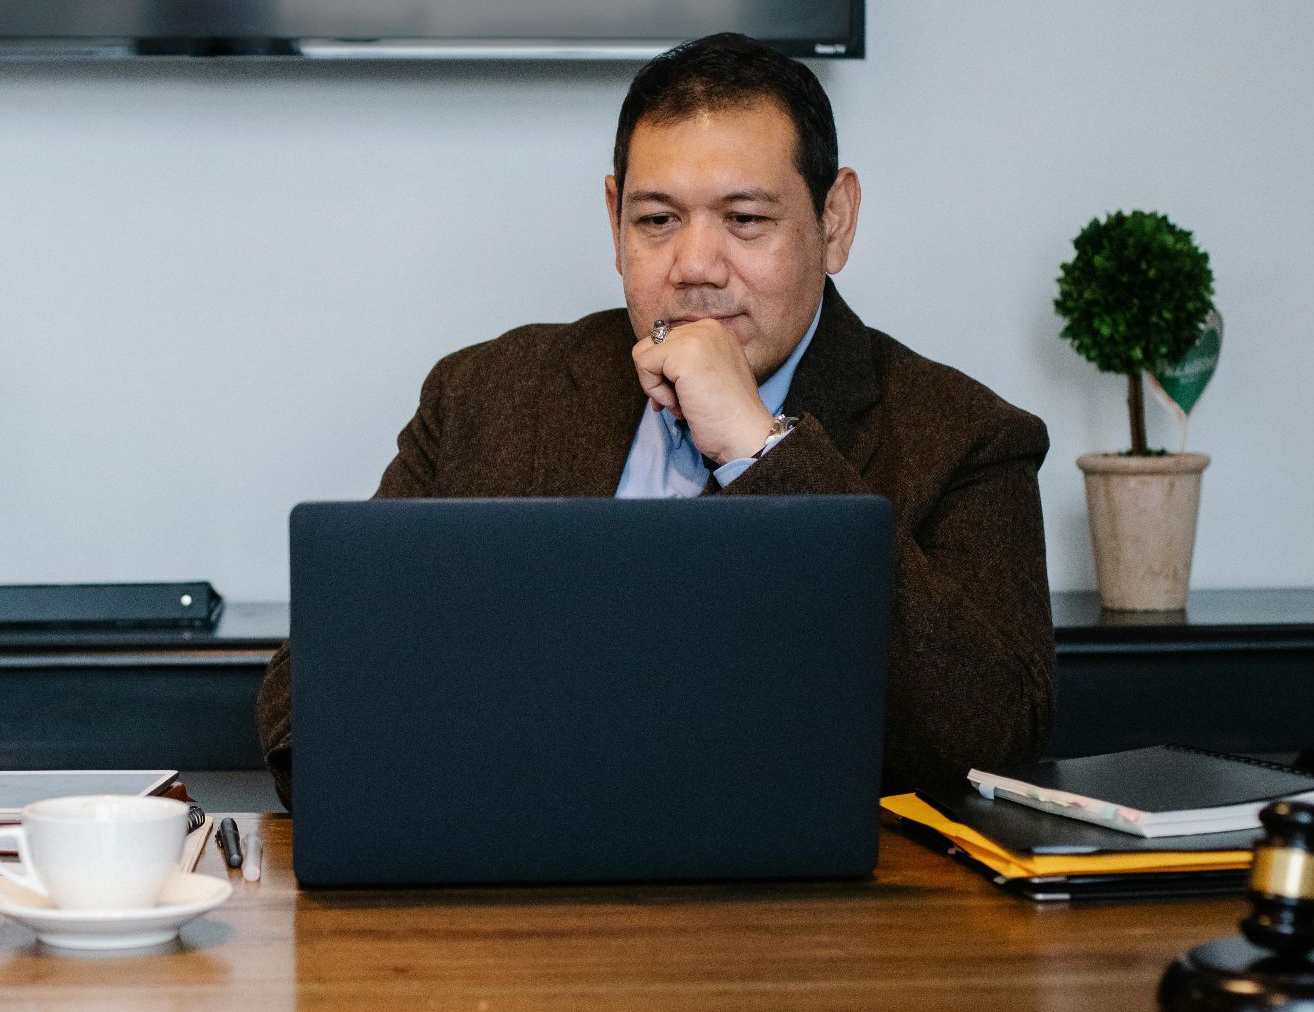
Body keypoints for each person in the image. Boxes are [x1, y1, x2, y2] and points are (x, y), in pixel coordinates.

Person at [256, 33, 1053, 806]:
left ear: (835, 220)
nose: (696, 268)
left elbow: (991, 745)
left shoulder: (965, 435)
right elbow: (306, 711)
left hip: (811, 921)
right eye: (657, 220)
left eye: (745, 219)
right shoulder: (482, 394)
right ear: (614, 219)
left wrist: (759, 452)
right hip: (518, 896)